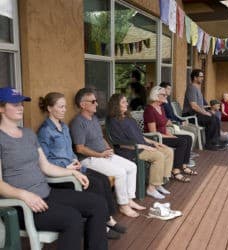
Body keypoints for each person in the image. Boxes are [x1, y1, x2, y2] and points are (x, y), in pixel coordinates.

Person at [0, 87, 108, 250]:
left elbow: (46, 167)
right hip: (21, 205)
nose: (20, 107)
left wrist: (72, 172)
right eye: (14, 104)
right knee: (72, 218)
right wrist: (24, 195)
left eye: (21, 103)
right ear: (1, 108)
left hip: (46, 193)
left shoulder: (29, 134)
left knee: (98, 203)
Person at [37, 92, 126, 239]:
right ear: (49, 108)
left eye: (65, 106)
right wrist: (66, 168)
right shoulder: (45, 131)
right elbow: (44, 160)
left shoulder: (64, 127)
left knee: (103, 180)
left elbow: (69, 151)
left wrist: (75, 160)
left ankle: (108, 219)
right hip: (62, 174)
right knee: (95, 184)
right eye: (60, 107)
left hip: (75, 167)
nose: (64, 110)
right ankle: (104, 225)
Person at [70, 88, 146, 218]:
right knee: (120, 172)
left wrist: (108, 149)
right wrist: (100, 155)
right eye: (93, 101)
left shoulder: (93, 119)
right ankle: (123, 205)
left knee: (132, 167)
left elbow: (101, 138)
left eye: (96, 101)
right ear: (83, 105)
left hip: (103, 154)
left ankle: (129, 199)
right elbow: (80, 148)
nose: (97, 104)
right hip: (89, 159)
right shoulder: (78, 123)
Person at [107, 93, 174, 199]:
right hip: (130, 150)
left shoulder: (129, 118)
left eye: (126, 101)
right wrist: (141, 146)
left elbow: (140, 136)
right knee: (158, 156)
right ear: (116, 105)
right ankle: (151, 189)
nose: (127, 104)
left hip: (141, 146)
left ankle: (159, 183)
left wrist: (153, 142)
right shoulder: (114, 121)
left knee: (168, 151)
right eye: (123, 102)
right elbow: (119, 143)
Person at [144, 86, 198, 183]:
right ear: (156, 96)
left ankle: (183, 166)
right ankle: (176, 171)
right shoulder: (149, 110)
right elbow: (153, 132)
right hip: (156, 138)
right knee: (182, 142)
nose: (166, 96)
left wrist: (169, 134)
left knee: (188, 138)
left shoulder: (160, 108)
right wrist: (169, 136)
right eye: (163, 95)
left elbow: (164, 126)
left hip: (163, 135)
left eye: (166, 95)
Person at [183, 69, 226, 151]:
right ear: (195, 78)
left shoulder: (197, 88)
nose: (203, 78)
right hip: (190, 116)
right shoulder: (191, 88)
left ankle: (216, 141)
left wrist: (208, 110)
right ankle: (210, 144)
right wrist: (205, 113)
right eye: (201, 76)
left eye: (203, 76)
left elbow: (201, 105)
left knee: (215, 117)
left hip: (197, 114)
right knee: (211, 119)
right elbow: (194, 106)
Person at [160, 81, 198, 155]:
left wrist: (182, 120)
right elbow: (165, 119)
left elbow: (173, 115)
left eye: (170, 89)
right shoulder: (162, 104)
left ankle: (189, 152)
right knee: (192, 131)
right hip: (171, 125)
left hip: (174, 122)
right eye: (168, 89)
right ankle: (187, 153)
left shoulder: (167, 101)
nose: (169, 91)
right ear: (162, 89)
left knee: (195, 127)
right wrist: (180, 122)